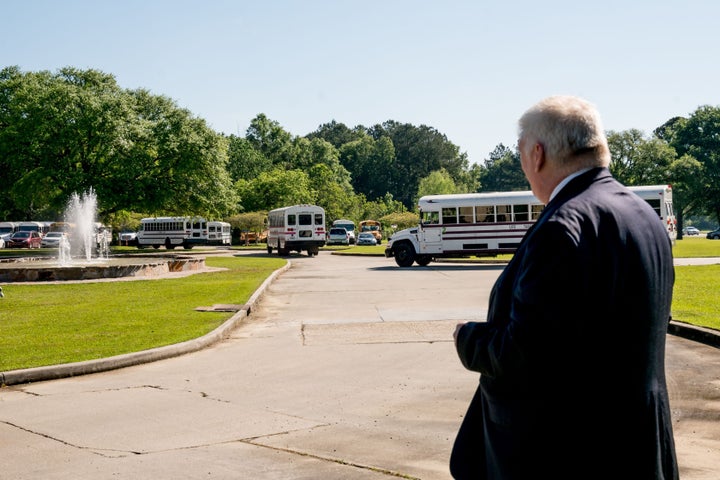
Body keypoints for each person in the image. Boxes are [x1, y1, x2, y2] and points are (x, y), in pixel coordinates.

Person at [450, 95, 678, 479]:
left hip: (567, 451)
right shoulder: (644, 216)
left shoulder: (561, 227)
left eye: (521, 154)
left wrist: (467, 338)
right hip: (639, 443)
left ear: (536, 154)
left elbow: (525, 354)